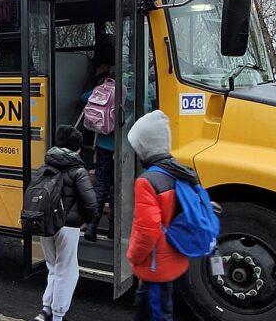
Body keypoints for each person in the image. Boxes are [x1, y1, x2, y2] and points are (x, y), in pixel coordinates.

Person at [125, 110, 198, 321]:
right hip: (174, 255)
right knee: (160, 309)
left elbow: (147, 231)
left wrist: (134, 256)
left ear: (144, 146)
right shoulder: (179, 171)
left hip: (154, 262)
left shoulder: (147, 181)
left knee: (155, 312)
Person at [35, 125, 98, 321]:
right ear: (77, 148)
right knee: (67, 271)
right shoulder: (78, 171)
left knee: (53, 267)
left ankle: (45, 310)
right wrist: (87, 221)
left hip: (46, 224)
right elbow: (90, 203)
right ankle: (58, 315)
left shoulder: (45, 167)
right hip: (68, 226)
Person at [82, 33, 115, 242]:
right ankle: (114, 228)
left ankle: (92, 226)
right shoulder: (129, 89)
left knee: (101, 183)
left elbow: (83, 98)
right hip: (123, 147)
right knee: (118, 187)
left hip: (103, 144)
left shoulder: (102, 88)